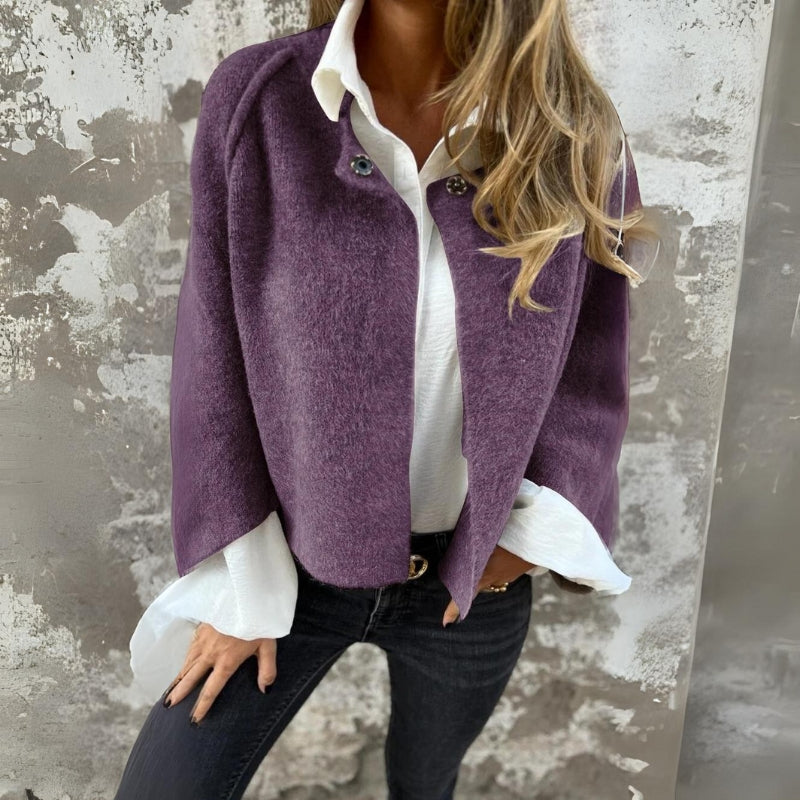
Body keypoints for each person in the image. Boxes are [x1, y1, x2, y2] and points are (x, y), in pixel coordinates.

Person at [114, 0, 656, 797]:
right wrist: (244, 588)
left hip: (468, 585)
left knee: (425, 785)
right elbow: (212, 363)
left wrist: (524, 539)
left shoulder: (570, 128)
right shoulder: (260, 101)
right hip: (291, 566)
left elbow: (592, 362)